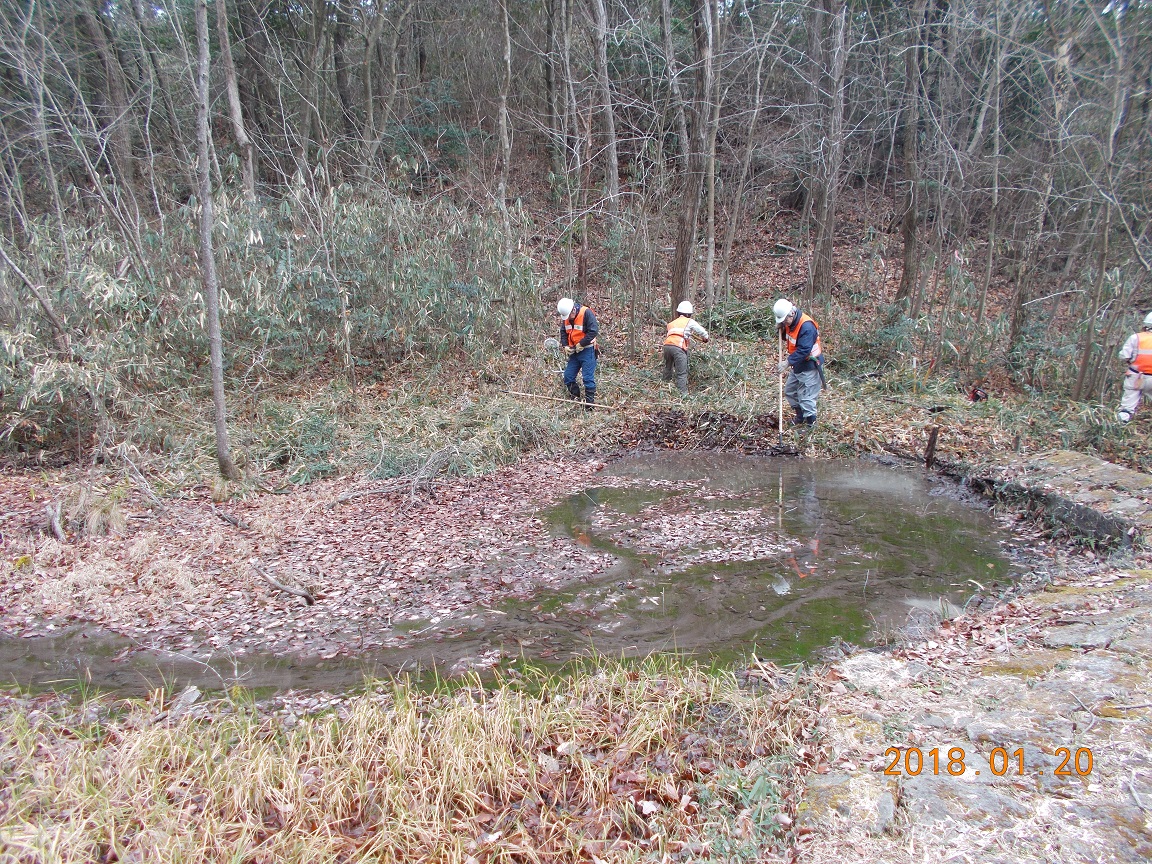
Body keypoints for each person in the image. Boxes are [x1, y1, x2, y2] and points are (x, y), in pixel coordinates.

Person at [773, 298, 824, 426]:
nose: (785, 323)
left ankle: (811, 424)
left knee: (806, 396)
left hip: (810, 365)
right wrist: (782, 329)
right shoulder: (790, 323)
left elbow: (804, 350)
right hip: (798, 365)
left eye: (785, 320)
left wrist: (787, 362)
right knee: (790, 391)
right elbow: (790, 338)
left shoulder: (806, 327)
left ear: (792, 313)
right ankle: (800, 416)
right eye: (782, 321)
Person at [557, 297, 599, 409]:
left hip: (588, 350)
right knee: (568, 376)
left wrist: (582, 344)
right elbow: (563, 332)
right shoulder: (566, 316)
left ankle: (589, 405)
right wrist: (565, 345)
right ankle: (575, 398)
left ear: (573, 310)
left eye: (569, 315)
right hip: (574, 352)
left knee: (587, 378)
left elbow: (594, 331)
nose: (567, 319)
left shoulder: (586, 313)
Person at [662, 300, 710, 394]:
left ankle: (664, 387)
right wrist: (706, 337)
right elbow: (700, 330)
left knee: (668, 367)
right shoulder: (689, 321)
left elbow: (675, 333)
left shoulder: (672, 323)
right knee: (681, 373)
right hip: (678, 347)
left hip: (667, 346)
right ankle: (683, 395)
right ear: (689, 314)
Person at [1118, 311, 1152, 423]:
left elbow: (1124, 356)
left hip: (1136, 376)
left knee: (1127, 407)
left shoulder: (1135, 338)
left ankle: (1121, 427)